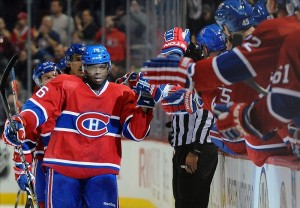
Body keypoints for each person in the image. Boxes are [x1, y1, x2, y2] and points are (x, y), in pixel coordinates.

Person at [3, 44, 153, 207]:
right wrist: (22, 122)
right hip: (63, 169)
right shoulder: (63, 84)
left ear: (109, 67)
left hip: (102, 171)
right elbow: (39, 108)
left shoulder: (122, 93)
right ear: (84, 67)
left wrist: (145, 106)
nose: (97, 72)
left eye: (101, 67)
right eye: (92, 67)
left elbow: (136, 133)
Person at [11, 61, 61, 208]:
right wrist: (22, 171)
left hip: (72, 166)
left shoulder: (71, 99)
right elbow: (25, 144)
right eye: (47, 77)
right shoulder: (36, 110)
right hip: (45, 167)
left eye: (56, 75)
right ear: (39, 83)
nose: (54, 79)